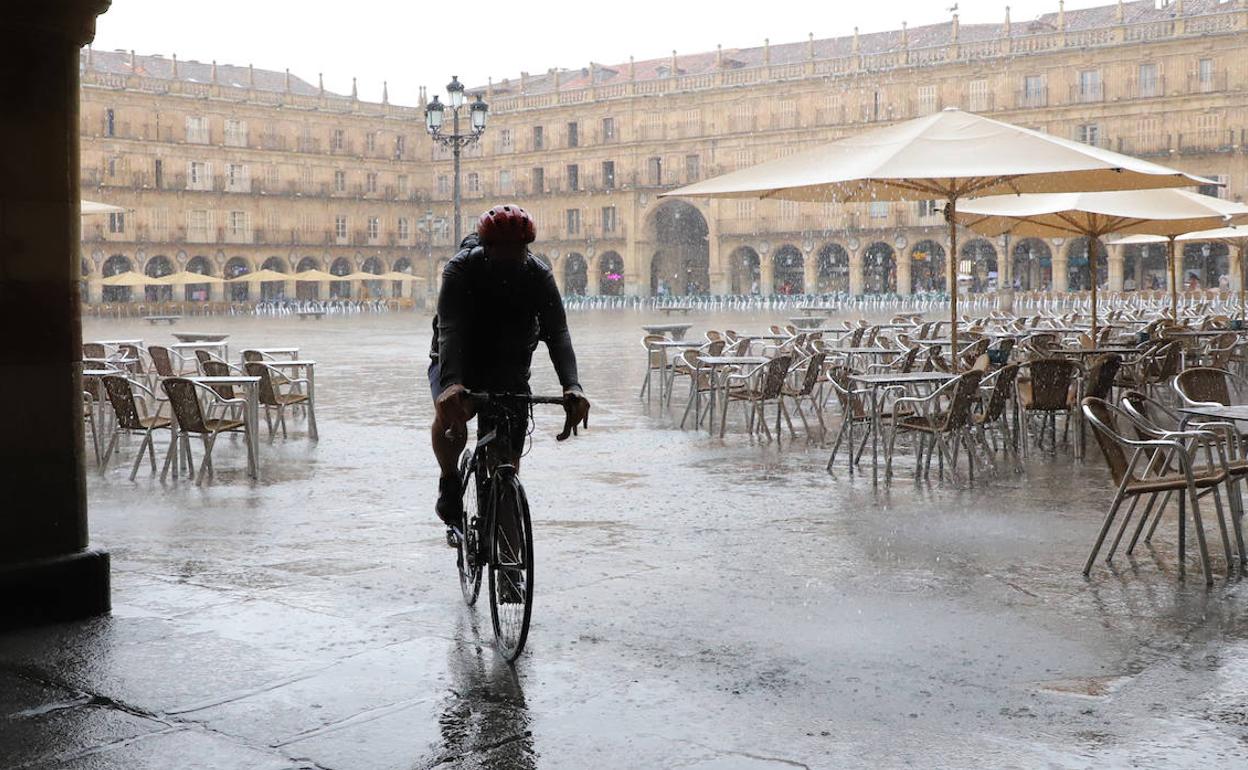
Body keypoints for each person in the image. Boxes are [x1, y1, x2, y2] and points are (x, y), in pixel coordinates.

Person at [429, 204, 590, 533]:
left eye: (517, 251)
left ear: (527, 248)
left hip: (509, 362)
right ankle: (449, 480)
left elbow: (557, 334)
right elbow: (451, 330)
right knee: (453, 414)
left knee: (508, 457)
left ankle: (507, 542)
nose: (509, 259)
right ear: (485, 249)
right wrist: (451, 385)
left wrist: (572, 386)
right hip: (459, 357)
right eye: (501, 251)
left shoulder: (538, 275)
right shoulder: (460, 271)